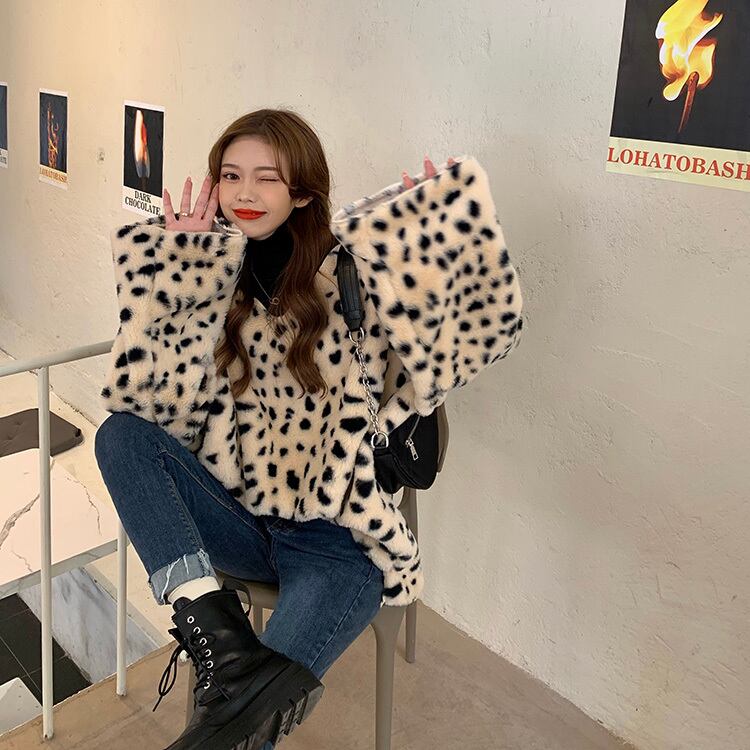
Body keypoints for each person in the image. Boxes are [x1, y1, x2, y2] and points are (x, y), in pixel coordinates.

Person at [94, 108, 524, 750]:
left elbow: (476, 344)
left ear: (301, 192)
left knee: (242, 723)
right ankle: (218, 636)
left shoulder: (357, 269)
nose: (244, 193)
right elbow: (158, 407)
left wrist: (445, 249)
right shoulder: (212, 270)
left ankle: (235, 684)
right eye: (230, 175)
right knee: (119, 436)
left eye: (267, 178)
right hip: (239, 519)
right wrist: (180, 271)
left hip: (336, 541)